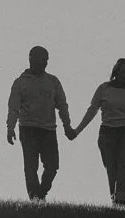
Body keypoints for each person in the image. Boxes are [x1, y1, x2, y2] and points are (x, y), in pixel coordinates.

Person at [70, 57, 125, 207]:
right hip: (107, 133)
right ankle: (116, 200)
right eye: (122, 72)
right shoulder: (104, 89)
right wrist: (77, 130)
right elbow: (92, 111)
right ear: (115, 73)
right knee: (111, 168)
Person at [5, 46, 74, 201]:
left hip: (48, 129)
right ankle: (35, 199)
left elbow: (62, 104)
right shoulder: (20, 82)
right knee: (31, 167)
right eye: (40, 58)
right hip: (28, 129)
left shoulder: (53, 81)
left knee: (53, 166)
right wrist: (10, 128)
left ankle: (41, 193)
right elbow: (13, 107)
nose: (44, 62)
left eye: (46, 59)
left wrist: (67, 125)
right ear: (31, 58)